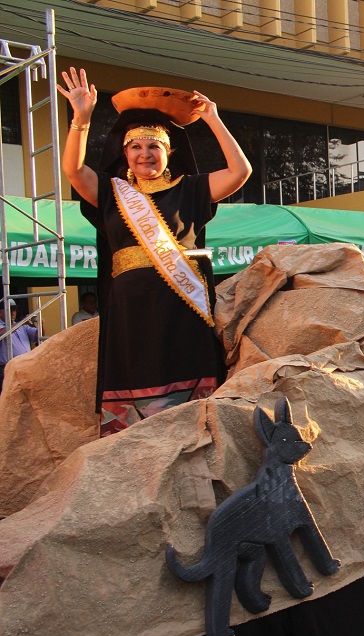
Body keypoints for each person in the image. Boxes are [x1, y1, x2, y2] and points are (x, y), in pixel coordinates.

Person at [58, 67, 251, 436]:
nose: (144, 154)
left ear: (168, 152)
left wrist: (213, 118)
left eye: (154, 147)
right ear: (125, 152)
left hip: (181, 309)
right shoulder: (112, 193)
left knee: (189, 400)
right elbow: (73, 169)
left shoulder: (192, 189)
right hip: (129, 314)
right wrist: (81, 119)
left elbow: (240, 171)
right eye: (135, 147)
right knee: (130, 402)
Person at [0, 303, 39, 392]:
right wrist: (22, 322)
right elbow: (2, 333)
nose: (13, 313)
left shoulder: (22, 326)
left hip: (24, 367)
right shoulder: (19, 324)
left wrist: (40, 323)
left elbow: (38, 336)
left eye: (14, 310)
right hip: (7, 369)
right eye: (10, 310)